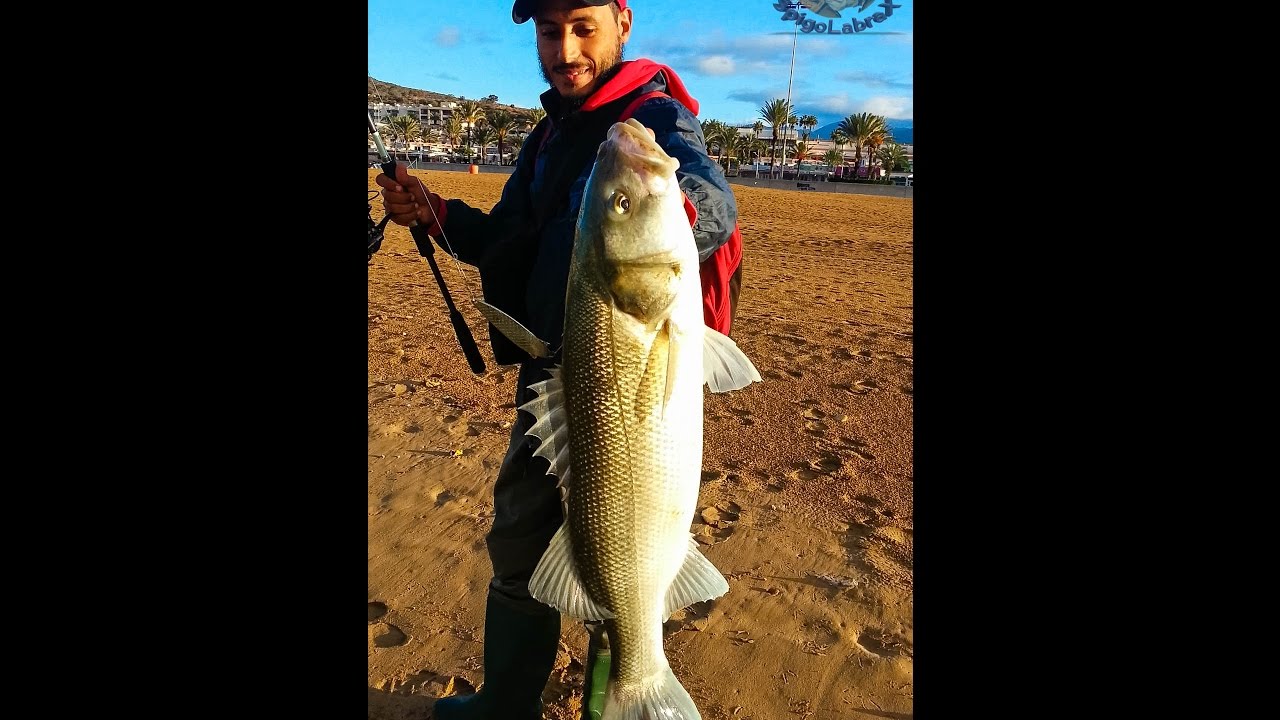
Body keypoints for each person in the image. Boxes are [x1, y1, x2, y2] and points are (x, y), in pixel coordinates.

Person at [375, 2, 740, 717]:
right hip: (553, 384)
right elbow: (506, 234)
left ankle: (627, 688)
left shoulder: (655, 117)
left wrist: (660, 215)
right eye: (549, 31)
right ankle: (505, 703)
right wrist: (433, 211)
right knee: (519, 539)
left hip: (629, 378)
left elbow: (713, 203)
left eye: (583, 26)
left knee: (627, 552)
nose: (566, 48)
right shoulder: (546, 137)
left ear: (622, 21)